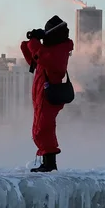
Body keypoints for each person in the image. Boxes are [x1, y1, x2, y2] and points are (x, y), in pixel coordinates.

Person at [20, 15, 74, 172]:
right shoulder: (51, 50)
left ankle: (50, 163)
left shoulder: (58, 52)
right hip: (42, 96)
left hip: (49, 96)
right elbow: (32, 57)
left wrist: (35, 41)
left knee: (43, 128)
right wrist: (31, 39)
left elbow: (40, 56)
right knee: (41, 128)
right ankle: (47, 162)